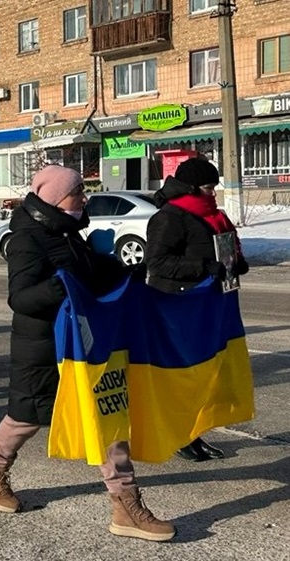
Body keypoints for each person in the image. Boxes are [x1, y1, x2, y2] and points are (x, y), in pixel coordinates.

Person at [0, 165, 174, 541]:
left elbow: (92, 273)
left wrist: (131, 270)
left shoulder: (68, 233)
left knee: (107, 414)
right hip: (43, 347)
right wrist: (59, 287)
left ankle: (125, 505)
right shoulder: (27, 239)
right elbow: (20, 299)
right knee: (25, 417)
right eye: (77, 192)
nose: (83, 198)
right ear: (54, 199)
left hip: (84, 346)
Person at [145, 157, 247, 462]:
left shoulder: (215, 216)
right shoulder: (170, 217)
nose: (213, 193)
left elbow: (227, 251)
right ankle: (181, 436)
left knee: (207, 374)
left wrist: (235, 263)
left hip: (212, 304)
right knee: (186, 374)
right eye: (207, 187)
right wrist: (205, 267)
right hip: (179, 305)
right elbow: (158, 262)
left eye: (215, 187)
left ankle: (193, 433)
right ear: (191, 188)